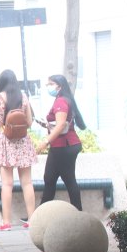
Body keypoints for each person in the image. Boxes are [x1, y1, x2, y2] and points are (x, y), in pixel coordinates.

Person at [0, 70, 37, 230]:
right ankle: (32, 220)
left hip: (5, 141)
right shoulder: (23, 97)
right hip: (22, 141)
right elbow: (29, 122)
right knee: (27, 183)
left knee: (7, 184)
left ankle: (6, 222)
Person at [36, 74, 86, 209]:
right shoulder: (64, 99)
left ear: (59, 86)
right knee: (52, 179)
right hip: (66, 145)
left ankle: (42, 214)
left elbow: (60, 125)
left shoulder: (61, 101)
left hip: (63, 145)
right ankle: (42, 213)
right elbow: (60, 124)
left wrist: (45, 142)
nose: (48, 87)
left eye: (50, 84)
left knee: (59, 180)